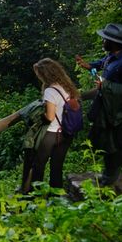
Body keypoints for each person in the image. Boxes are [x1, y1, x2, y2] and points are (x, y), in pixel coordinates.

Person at [75, 23, 122, 186]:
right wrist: (88, 65)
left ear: (115, 43)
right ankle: (107, 174)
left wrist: (106, 86)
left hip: (117, 112)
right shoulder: (111, 56)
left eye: (106, 39)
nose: (103, 41)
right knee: (105, 141)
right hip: (105, 108)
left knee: (116, 143)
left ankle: (111, 178)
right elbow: (101, 63)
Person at [26, 58, 81, 192]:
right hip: (66, 132)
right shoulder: (67, 87)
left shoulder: (50, 91)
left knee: (39, 165)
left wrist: (37, 118)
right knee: (57, 166)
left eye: (39, 74)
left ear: (45, 74)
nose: (38, 76)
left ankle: (36, 196)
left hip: (51, 134)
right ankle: (56, 196)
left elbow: (50, 117)